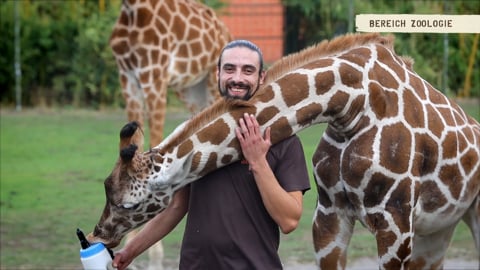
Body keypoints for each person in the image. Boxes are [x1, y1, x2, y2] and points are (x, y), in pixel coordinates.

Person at [112, 40, 311, 270]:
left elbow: (289, 220)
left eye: (248, 70)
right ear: (217, 73)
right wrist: (130, 251)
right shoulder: (195, 134)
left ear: (261, 77)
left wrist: (258, 161)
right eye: (229, 69)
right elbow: (177, 206)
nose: (237, 78)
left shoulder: (282, 138)